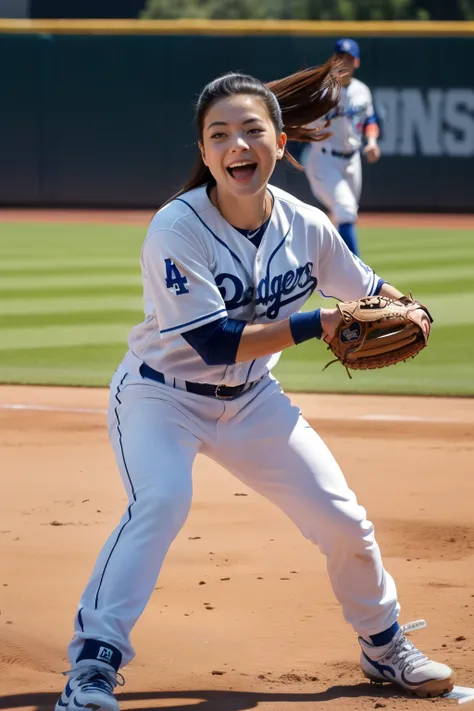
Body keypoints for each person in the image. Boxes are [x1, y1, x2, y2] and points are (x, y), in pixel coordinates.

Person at [55, 59, 453, 711]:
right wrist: (316, 323)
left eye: (250, 131)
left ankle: (384, 646)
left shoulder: (307, 225)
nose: (237, 145)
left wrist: (411, 306)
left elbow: (368, 286)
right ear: (206, 154)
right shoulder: (177, 228)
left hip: (253, 402)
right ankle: (92, 667)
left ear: (279, 143)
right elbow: (211, 343)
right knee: (161, 501)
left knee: (341, 517)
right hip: (162, 397)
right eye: (219, 135)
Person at [302, 38, 381, 257]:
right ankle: (359, 271)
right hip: (324, 159)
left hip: (353, 160)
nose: (343, 63)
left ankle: (329, 262)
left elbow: (370, 120)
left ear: (356, 62)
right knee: (346, 210)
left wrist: (372, 142)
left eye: (348, 59)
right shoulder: (322, 91)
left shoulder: (362, 91)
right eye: (339, 58)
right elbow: (303, 122)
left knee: (346, 213)